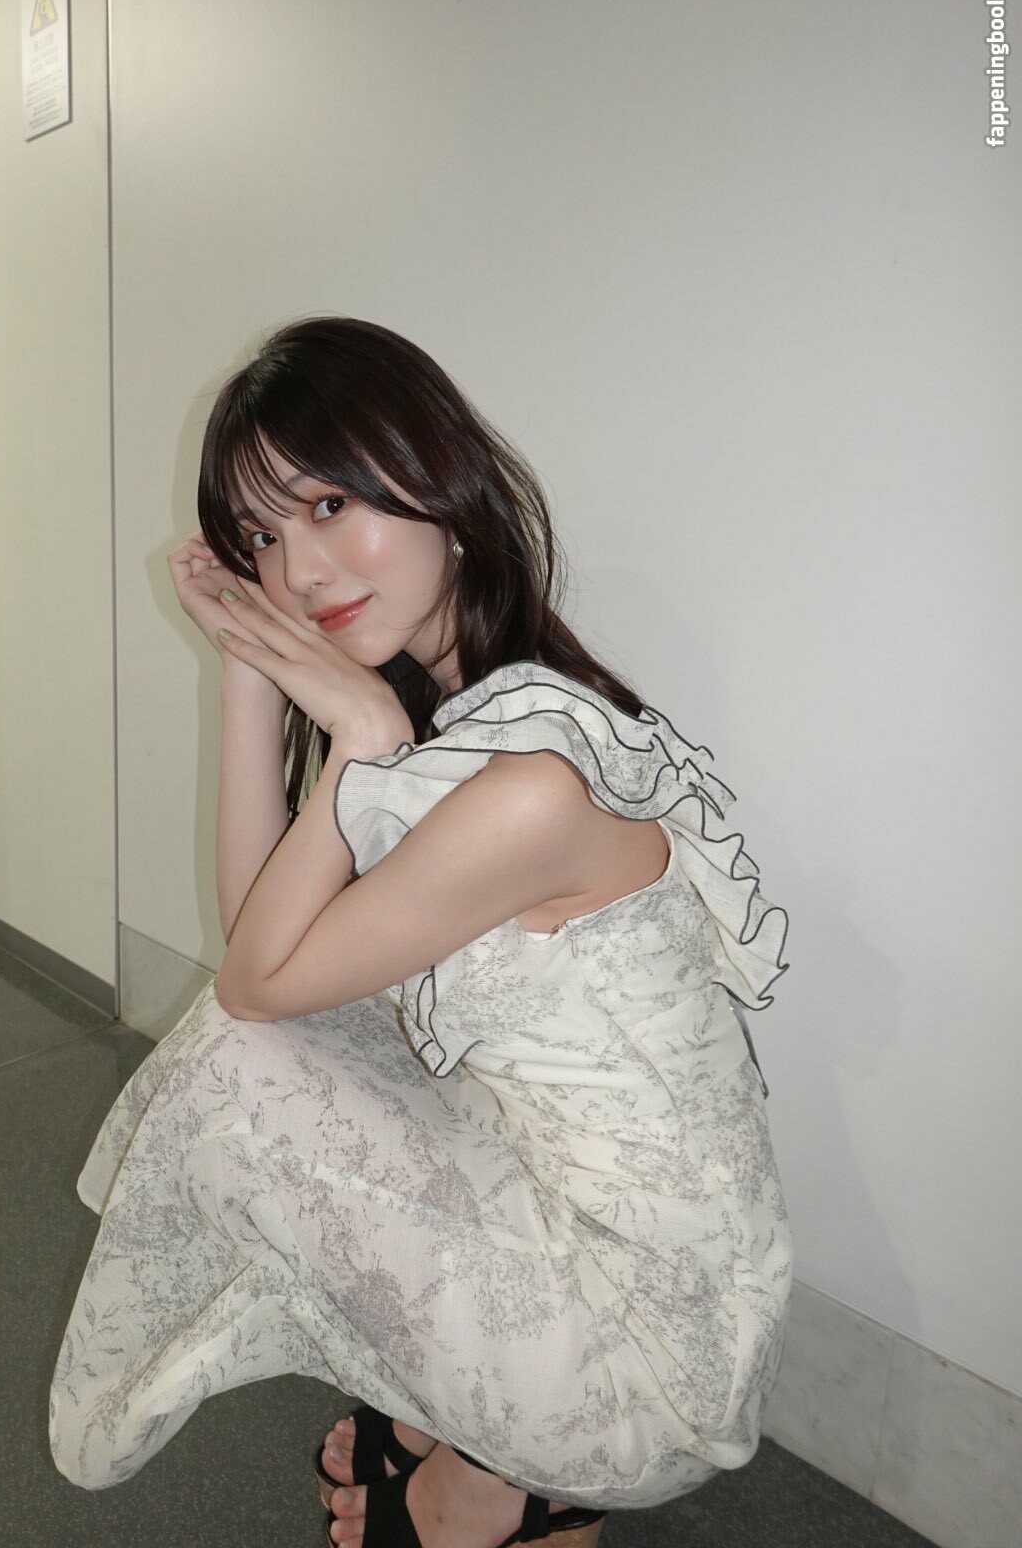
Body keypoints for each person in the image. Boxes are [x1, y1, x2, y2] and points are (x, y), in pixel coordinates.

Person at [49, 316, 794, 1548]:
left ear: (440, 479)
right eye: (261, 537)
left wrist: (360, 733)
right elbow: (262, 938)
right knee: (289, 1041)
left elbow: (252, 986)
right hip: (570, 1211)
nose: (300, 569)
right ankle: (490, 1436)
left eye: (329, 503)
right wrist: (251, 665)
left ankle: (523, 1466)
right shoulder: (477, 721)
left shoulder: (534, 786)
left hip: (661, 1347)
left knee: (247, 1068)